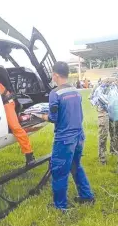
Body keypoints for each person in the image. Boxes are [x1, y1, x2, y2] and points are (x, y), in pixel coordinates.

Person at [33, 61, 94, 211]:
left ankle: (60, 206)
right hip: (79, 136)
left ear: (55, 75)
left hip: (64, 139)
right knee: (75, 166)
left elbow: (53, 118)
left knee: (59, 171)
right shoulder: (75, 91)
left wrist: (39, 115)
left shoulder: (55, 93)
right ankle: (87, 196)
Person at [90, 75, 118, 164]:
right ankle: (102, 157)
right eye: (107, 80)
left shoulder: (115, 85)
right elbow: (92, 98)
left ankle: (113, 150)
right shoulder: (99, 86)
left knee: (114, 132)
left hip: (113, 110)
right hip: (103, 111)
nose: (109, 81)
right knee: (103, 134)